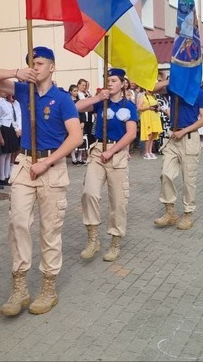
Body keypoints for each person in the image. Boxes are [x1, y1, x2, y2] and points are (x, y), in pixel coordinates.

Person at [0, 47, 82, 317]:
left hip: (51, 166)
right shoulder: (23, 90)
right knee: (18, 224)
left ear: (52, 67)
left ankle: (48, 287)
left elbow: (75, 137)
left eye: (39, 63)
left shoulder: (62, 99)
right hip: (25, 165)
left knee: (50, 229)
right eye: (31, 63)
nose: (34, 67)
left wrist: (47, 163)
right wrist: (17, 73)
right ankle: (20, 287)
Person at [76, 68, 138, 262]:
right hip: (97, 153)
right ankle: (93, 239)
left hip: (116, 155)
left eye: (113, 80)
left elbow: (131, 134)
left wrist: (112, 151)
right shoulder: (100, 103)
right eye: (107, 80)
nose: (109, 83)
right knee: (89, 192)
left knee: (118, 202)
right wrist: (96, 98)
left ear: (122, 84)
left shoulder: (130, 107)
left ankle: (115, 242)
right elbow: (77, 107)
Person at [151, 77, 203, 231]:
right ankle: (170, 212)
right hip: (173, 138)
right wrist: (171, 81)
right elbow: (153, 88)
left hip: (189, 138)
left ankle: (188, 214)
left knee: (188, 179)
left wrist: (184, 131)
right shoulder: (174, 88)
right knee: (165, 173)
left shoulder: (199, 92)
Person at [136, 87, 162, 159]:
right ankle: (146, 152)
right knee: (148, 134)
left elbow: (158, 106)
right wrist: (148, 107)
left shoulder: (154, 96)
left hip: (154, 116)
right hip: (147, 116)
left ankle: (150, 151)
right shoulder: (143, 97)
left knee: (153, 134)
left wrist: (157, 108)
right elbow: (139, 108)